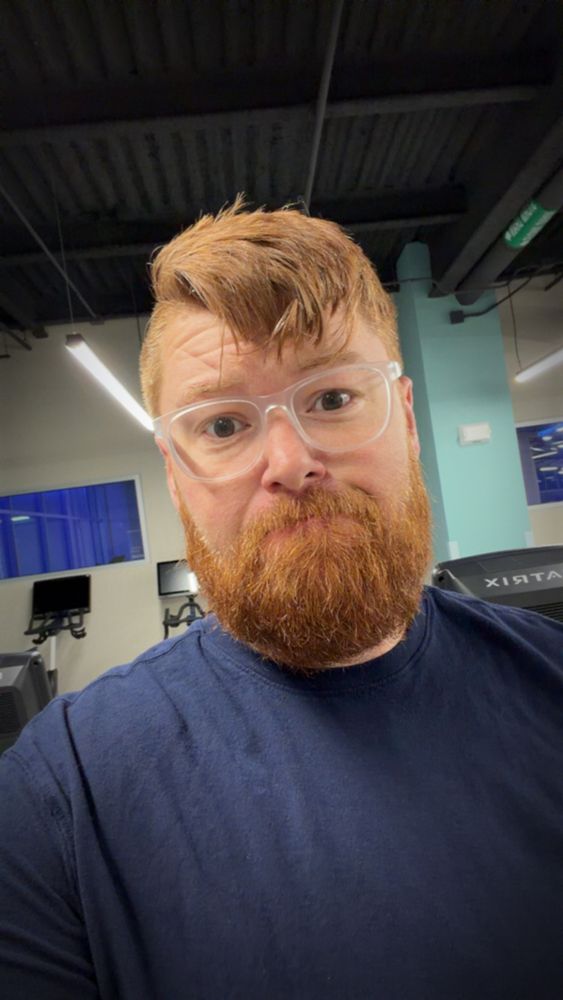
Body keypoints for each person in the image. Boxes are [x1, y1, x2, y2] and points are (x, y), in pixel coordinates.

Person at [0, 199, 562, 1000]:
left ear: (406, 420)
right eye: (223, 425)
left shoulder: (549, 679)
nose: (290, 462)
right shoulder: (58, 797)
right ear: (174, 476)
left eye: (331, 398)